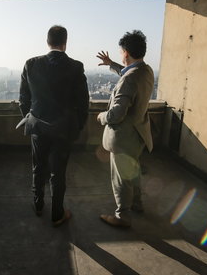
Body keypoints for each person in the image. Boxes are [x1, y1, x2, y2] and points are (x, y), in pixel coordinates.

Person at [19, 25, 89, 226]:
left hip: (38, 127)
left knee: (37, 167)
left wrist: (31, 118)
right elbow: (83, 102)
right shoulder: (76, 67)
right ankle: (57, 214)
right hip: (63, 129)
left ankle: (38, 204)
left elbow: (24, 98)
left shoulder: (31, 64)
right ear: (65, 43)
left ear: (47, 42)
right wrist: (78, 126)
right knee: (58, 173)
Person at [96, 30, 154, 228]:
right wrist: (112, 64)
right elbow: (129, 73)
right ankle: (137, 205)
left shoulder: (129, 79)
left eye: (122, 52)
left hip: (124, 137)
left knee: (121, 178)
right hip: (139, 134)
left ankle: (122, 216)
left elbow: (116, 114)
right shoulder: (146, 71)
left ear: (126, 53)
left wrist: (102, 117)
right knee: (133, 172)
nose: (121, 55)